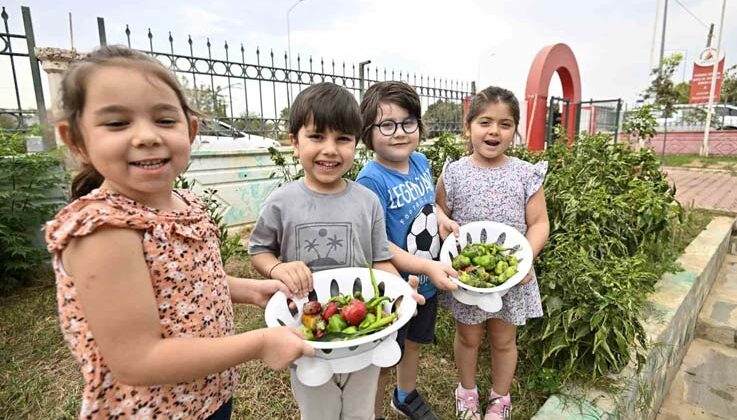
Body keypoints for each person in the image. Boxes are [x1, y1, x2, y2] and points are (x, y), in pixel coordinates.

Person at [44, 45, 312, 420]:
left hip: (206, 394)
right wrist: (259, 343)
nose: (146, 136)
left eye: (164, 120)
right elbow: (137, 360)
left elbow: (185, 282)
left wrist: (251, 290)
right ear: (75, 139)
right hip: (152, 411)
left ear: (191, 130)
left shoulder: (186, 204)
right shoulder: (103, 231)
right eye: (118, 123)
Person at [436, 86, 550, 420]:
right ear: (468, 126)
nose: (493, 131)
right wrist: (443, 225)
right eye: (485, 122)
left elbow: (540, 223)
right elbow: (439, 214)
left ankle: (500, 398)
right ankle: (467, 391)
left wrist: (524, 259)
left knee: (504, 339)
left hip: (512, 275)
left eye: (504, 124)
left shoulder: (525, 174)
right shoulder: (454, 172)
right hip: (468, 277)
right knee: (467, 336)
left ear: (515, 130)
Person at [356, 81, 457, 420]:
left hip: (427, 283)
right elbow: (378, 244)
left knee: (414, 343)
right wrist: (425, 268)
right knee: (385, 356)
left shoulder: (420, 163)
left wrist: (442, 218)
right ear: (367, 131)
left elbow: (429, 203)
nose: (399, 133)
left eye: (408, 122)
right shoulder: (371, 181)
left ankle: (405, 395)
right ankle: (372, 412)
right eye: (387, 124)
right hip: (395, 289)